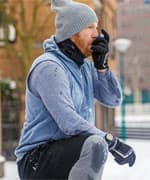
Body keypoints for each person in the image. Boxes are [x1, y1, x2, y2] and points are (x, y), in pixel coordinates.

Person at [15, 0, 136, 179]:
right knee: (96, 144)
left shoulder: (84, 68)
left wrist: (102, 67)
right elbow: (69, 122)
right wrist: (112, 141)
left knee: (96, 144)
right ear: (71, 32)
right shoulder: (50, 67)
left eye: (97, 27)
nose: (97, 35)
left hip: (69, 151)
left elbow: (113, 99)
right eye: (90, 27)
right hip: (36, 159)